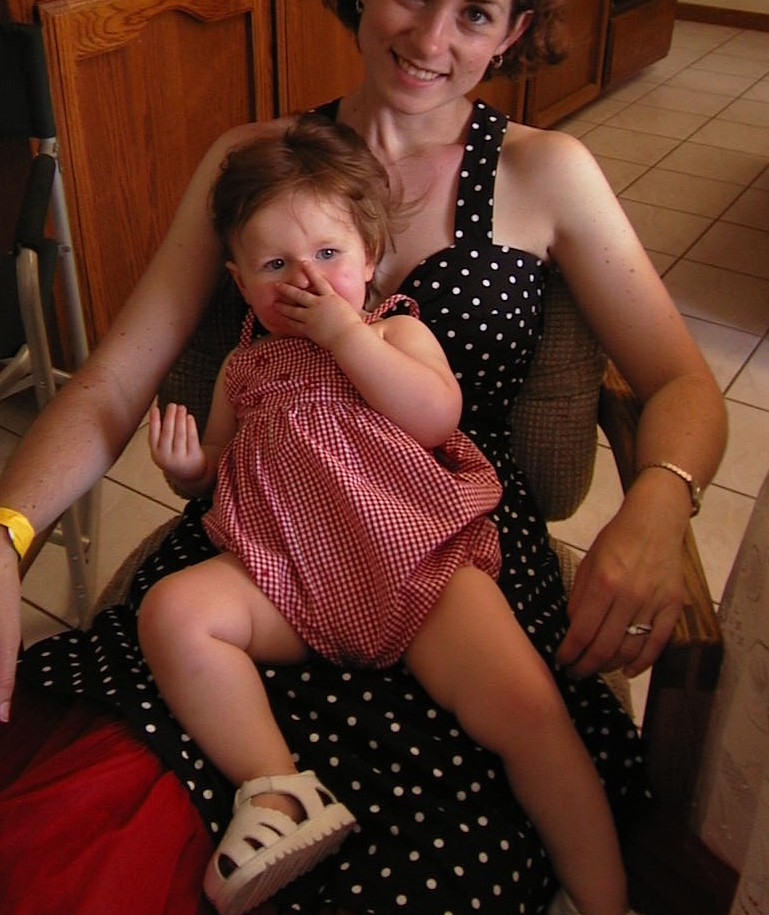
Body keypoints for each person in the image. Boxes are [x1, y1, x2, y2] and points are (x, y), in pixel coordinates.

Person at [0, 0, 726, 915]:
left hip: (449, 572)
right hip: (267, 558)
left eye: (477, 13)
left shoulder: (548, 175)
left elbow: (681, 380)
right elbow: (113, 382)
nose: (432, 37)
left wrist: (657, 498)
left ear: (516, 31)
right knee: (41, 853)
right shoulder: (254, 163)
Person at [140, 114, 634, 915]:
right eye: (274, 264)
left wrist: (346, 339)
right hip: (290, 577)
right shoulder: (242, 364)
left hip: (417, 564)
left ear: (370, 259)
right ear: (239, 282)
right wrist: (191, 469)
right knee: (174, 612)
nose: (304, 280)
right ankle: (281, 794)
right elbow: (221, 476)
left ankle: (601, 897)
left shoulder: (395, 329)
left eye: (329, 256)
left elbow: (437, 417)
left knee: (528, 709)